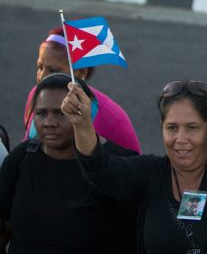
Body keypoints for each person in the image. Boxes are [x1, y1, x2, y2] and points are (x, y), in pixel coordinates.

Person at [64, 80, 207, 253]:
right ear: (161, 128)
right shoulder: (148, 174)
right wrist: (82, 124)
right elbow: (100, 170)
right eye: (172, 128)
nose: (181, 139)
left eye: (192, 127)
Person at [0, 73, 137, 253]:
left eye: (61, 113)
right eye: (41, 113)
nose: (49, 123)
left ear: (85, 112)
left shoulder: (120, 165)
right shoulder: (21, 157)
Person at [24, 26, 141, 154]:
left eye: (53, 70)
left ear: (80, 72)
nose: (42, 77)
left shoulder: (111, 119)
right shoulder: (36, 96)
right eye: (40, 67)